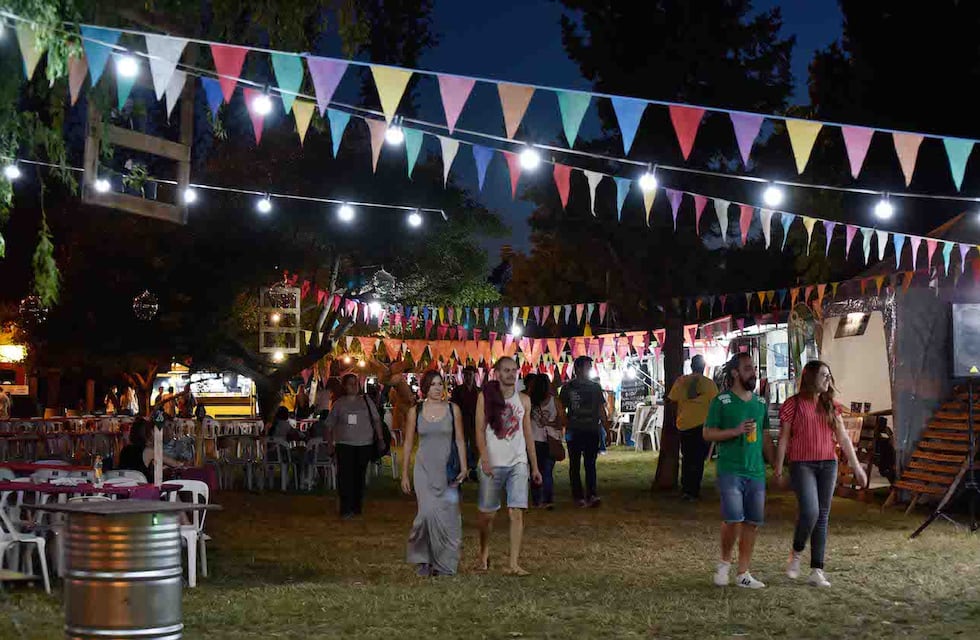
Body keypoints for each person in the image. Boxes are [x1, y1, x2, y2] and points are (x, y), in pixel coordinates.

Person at [775, 361, 867, 588]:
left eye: (829, 375)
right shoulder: (793, 404)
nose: (828, 379)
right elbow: (784, 438)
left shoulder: (831, 405)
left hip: (828, 464)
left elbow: (843, 437)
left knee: (822, 515)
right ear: (810, 377)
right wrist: (777, 468)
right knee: (810, 511)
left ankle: (817, 570)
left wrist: (857, 467)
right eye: (823, 375)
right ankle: (796, 552)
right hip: (801, 464)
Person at [703, 352, 775, 589]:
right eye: (747, 368)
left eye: (754, 368)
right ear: (735, 372)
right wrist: (734, 431)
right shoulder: (721, 401)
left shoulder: (760, 403)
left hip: (756, 472)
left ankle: (743, 572)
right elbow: (708, 433)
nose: (753, 372)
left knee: (752, 522)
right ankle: (724, 563)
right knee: (733, 518)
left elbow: (765, 437)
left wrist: (776, 465)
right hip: (730, 469)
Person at [474, 357, 542, 576]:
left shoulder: (524, 400)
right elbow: (479, 430)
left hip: (517, 463)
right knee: (487, 515)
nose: (511, 374)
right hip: (493, 463)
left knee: (516, 512)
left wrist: (534, 466)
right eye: (506, 370)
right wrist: (484, 458)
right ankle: (484, 552)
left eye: (514, 370)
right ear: (497, 373)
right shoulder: (485, 398)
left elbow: (528, 434)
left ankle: (513, 563)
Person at [402, 371, 467, 576]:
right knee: (426, 515)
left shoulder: (453, 409)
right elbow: (408, 443)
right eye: (433, 385)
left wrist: (464, 466)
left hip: (446, 471)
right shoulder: (416, 411)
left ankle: (444, 563)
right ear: (425, 388)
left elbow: (460, 439)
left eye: (440, 384)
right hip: (423, 470)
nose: (438, 388)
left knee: (447, 518)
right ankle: (424, 559)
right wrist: (404, 474)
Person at [324, 374, 385, 519]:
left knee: (359, 476)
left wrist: (380, 438)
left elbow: (376, 420)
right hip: (345, 444)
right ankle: (346, 508)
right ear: (345, 386)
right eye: (350, 383)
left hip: (364, 444)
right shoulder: (339, 403)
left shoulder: (366, 401)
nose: (353, 386)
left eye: (356, 383)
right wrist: (330, 444)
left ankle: (357, 506)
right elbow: (329, 425)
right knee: (345, 476)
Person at [668, 354, 720, 501]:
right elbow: (716, 405)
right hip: (702, 425)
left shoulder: (681, 381)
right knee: (698, 459)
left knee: (687, 457)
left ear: (691, 366)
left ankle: (686, 489)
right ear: (703, 367)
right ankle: (694, 490)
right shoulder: (709, 384)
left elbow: (671, 400)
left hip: (684, 424)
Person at [559, 356, 609, 508]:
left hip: (591, 429)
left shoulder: (595, 387)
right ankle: (578, 495)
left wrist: (606, 429)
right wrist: (565, 423)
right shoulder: (568, 387)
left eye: (590, 367)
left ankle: (591, 494)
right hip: (574, 429)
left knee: (590, 463)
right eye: (587, 367)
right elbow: (561, 408)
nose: (589, 370)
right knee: (574, 464)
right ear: (578, 369)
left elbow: (601, 409)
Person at [527, 374, 563, 510]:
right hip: (550, 439)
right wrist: (550, 423)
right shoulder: (555, 401)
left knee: (534, 470)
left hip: (533, 440)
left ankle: (537, 499)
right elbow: (562, 421)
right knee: (547, 471)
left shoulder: (529, 401)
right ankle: (547, 499)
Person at [451, 365, 481, 480]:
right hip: (461, 423)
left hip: (475, 424)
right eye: (466, 374)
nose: (468, 377)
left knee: (475, 447)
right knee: (461, 447)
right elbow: (454, 407)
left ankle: (473, 471)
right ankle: (461, 470)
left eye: (470, 374)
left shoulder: (479, 391)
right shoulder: (457, 390)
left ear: (474, 375)